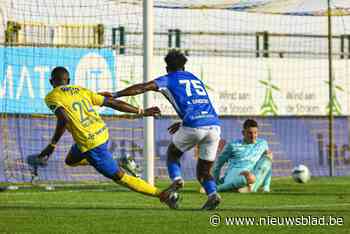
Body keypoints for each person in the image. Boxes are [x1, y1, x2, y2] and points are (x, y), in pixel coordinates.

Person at [27, 66, 177, 208]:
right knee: (70, 160)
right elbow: (111, 102)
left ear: (51, 82)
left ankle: (162, 194)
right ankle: (119, 161)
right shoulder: (81, 90)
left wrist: (52, 145)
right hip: (101, 132)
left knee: (120, 177)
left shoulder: (51, 96)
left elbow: (63, 119)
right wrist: (141, 111)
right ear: (69, 80)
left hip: (90, 143)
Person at [101, 50, 222, 210]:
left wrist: (116, 94)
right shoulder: (194, 78)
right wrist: (182, 121)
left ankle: (177, 179)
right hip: (214, 126)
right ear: (184, 66)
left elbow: (143, 87)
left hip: (194, 125)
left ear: (167, 68)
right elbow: (198, 104)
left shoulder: (168, 79)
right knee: (204, 170)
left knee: (172, 154)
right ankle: (213, 194)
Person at [212, 119, 272, 193]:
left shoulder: (262, 143)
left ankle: (246, 188)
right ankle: (219, 188)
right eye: (250, 133)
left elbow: (267, 166)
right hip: (236, 172)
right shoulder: (232, 145)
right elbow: (218, 164)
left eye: (255, 133)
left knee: (268, 157)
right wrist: (215, 182)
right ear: (243, 133)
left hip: (253, 174)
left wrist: (266, 187)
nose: (253, 136)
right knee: (248, 178)